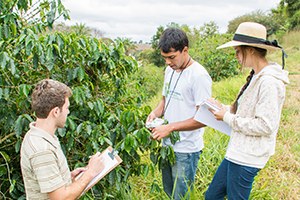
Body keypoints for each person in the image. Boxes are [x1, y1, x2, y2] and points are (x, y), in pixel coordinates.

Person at [202, 22, 289, 199]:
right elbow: (245, 111)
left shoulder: (269, 82)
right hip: (237, 151)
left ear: (249, 50)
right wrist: (222, 109)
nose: (236, 56)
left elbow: (266, 125)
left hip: (248, 156)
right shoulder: (256, 76)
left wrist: (227, 117)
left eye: (237, 51)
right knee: (212, 196)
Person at [146, 27, 212, 199]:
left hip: (186, 149)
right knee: (169, 191)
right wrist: (155, 114)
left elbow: (204, 118)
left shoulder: (199, 76)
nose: (168, 62)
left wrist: (170, 128)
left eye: (172, 57)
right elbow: (164, 100)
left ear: (185, 50)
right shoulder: (170, 70)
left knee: (181, 195)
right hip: (167, 146)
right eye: (164, 58)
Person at [20, 79, 105, 199]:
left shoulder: (38, 135)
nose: (68, 112)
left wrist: (68, 178)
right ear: (55, 111)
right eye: (67, 108)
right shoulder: (42, 149)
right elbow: (61, 198)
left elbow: (45, 183)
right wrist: (91, 172)